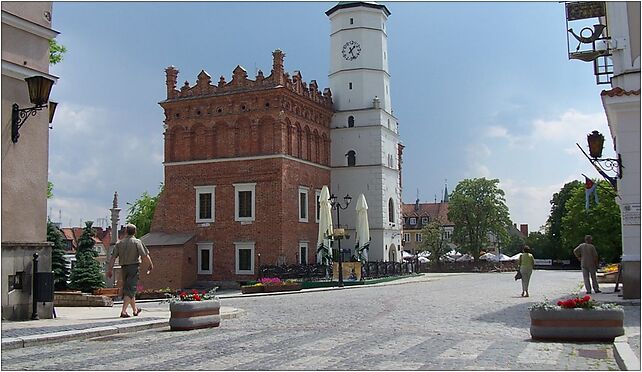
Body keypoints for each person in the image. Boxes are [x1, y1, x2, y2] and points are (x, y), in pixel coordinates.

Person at [107, 223, 154, 318]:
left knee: (129, 288)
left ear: (125, 231)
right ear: (135, 232)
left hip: (123, 268)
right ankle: (123, 311)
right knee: (130, 289)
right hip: (133, 267)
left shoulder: (119, 243)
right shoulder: (137, 242)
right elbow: (145, 255)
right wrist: (150, 264)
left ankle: (135, 310)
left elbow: (112, 258)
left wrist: (110, 269)